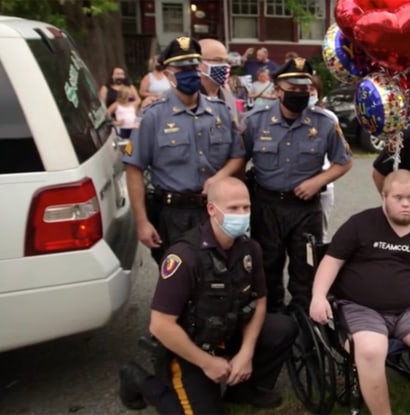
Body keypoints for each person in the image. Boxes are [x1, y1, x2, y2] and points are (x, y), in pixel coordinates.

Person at [118, 177, 298, 413]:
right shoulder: (185, 256)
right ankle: (140, 381)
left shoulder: (249, 249)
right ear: (211, 209)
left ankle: (244, 389)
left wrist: (246, 353)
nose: (241, 214)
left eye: (246, 207)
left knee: (283, 328)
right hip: (190, 346)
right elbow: (160, 326)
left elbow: (260, 301)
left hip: (228, 330)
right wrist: (208, 363)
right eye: (233, 208)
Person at [309, 169, 410, 415]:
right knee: (370, 350)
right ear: (384, 197)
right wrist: (318, 297)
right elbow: (331, 262)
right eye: (398, 197)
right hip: (360, 307)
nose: (405, 204)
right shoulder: (359, 224)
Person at [243, 57, 353, 312]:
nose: (300, 95)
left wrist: (319, 181)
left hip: (305, 209)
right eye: (293, 90)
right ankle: (271, 326)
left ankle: (303, 328)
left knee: (306, 269)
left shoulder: (324, 122)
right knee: (267, 269)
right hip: (266, 206)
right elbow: (239, 161)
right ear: (277, 90)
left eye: (304, 89)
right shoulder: (255, 121)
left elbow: (344, 161)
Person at [123, 36, 245, 264]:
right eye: (181, 68)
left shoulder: (220, 111)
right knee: (178, 280)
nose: (189, 72)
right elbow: (134, 169)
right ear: (168, 74)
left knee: (219, 276)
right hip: (173, 215)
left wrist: (219, 177)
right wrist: (142, 222)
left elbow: (237, 157)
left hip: (213, 210)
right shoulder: (152, 117)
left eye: (193, 66)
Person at [309, 74, 338, 243]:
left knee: (320, 235)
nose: (309, 93)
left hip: (323, 188)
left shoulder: (328, 118)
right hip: (296, 188)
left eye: (312, 89)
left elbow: (340, 158)